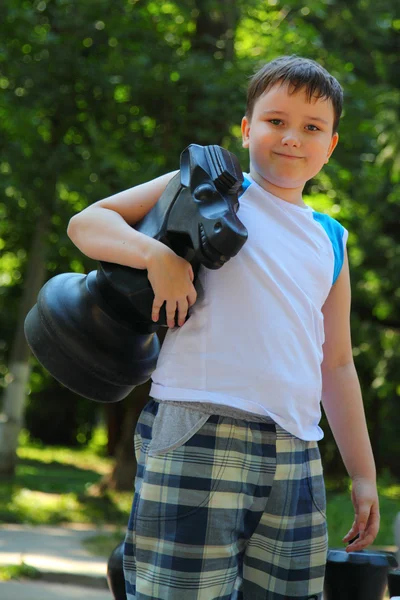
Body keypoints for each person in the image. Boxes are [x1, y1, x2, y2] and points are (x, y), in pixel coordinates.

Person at [67, 55, 380, 600]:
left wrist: (363, 474)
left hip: (297, 452)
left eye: (312, 128)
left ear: (330, 146)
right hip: (196, 426)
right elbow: (86, 223)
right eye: (275, 121)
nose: (291, 138)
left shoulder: (331, 238)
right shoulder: (206, 189)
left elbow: (337, 364)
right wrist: (155, 256)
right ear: (246, 127)